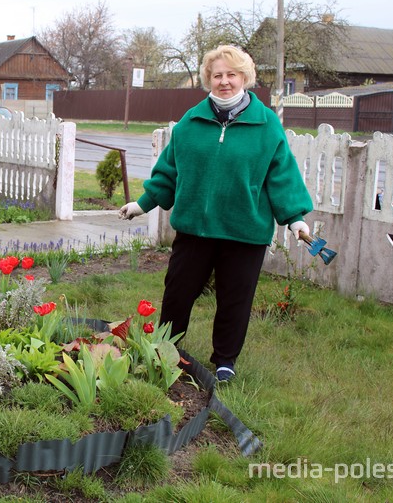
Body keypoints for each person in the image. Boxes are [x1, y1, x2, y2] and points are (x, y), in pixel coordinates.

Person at [119, 45, 313, 383]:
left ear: (245, 78)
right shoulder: (190, 123)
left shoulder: (266, 125)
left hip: (244, 232)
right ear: (209, 78)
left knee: (234, 299)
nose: (224, 81)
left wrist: (295, 217)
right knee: (178, 294)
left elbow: (281, 175)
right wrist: (143, 204)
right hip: (195, 229)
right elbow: (169, 171)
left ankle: (225, 360)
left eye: (231, 75)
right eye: (218, 75)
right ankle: (167, 351)